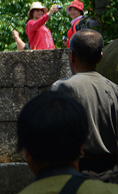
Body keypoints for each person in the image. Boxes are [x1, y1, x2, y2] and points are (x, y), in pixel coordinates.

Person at [50, 29, 118, 173]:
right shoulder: (114, 89)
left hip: (78, 170)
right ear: (100, 57)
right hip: (112, 172)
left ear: (72, 56)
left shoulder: (62, 88)